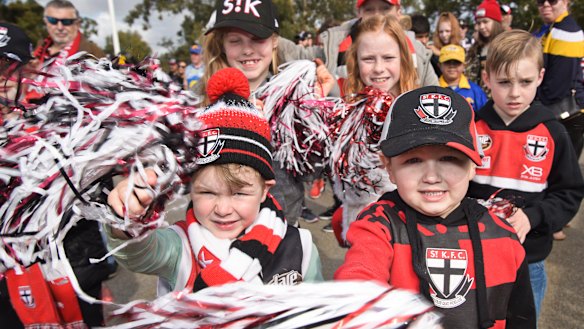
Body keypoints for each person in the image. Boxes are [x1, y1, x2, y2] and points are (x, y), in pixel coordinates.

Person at [335, 85, 536, 328]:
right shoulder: (379, 226)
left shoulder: (502, 235)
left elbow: (521, 318)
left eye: (449, 159)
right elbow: (359, 277)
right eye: (413, 160)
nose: (431, 177)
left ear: (475, 164)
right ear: (388, 167)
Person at [105, 68, 322, 292]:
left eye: (239, 193)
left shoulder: (299, 247)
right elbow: (137, 253)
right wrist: (126, 218)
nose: (223, 209)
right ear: (191, 188)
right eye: (207, 192)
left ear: (265, 189)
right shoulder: (180, 247)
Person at [467, 30, 584, 319]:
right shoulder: (471, 128)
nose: (515, 92)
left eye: (526, 82)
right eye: (504, 82)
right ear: (487, 77)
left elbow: (568, 192)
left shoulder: (554, 132)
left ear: (541, 77)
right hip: (474, 256)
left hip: (527, 260)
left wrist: (532, 217)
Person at [330, 14, 417, 243]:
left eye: (388, 57)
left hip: (407, 235)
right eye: (368, 59)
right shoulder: (348, 114)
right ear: (356, 63)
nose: (379, 68)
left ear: (403, 60)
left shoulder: (418, 112)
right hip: (362, 231)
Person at [277, 0, 438, 92]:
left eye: (385, 8)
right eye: (369, 9)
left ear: (398, 11)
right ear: (359, 12)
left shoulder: (420, 54)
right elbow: (295, 55)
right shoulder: (334, 45)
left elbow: (436, 98)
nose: (377, 15)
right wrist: (266, 31)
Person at [534, 0, 584, 159]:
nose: (546, 5)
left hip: (567, 112)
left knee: (562, 176)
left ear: (566, 2)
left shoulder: (566, 31)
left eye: (553, 0)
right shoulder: (551, 28)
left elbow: (557, 86)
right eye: (541, 1)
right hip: (561, 110)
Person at [33, 0, 104, 71]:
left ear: (77, 24)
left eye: (66, 21)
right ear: (46, 22)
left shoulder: (93, 53)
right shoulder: (35, 51)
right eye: (53, 20)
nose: (60, 27)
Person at [465, 0, 505, 95]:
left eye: (485, 22)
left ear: (496, 22)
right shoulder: (476, 47)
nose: (482, 27)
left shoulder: (505, 45)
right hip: (478, 97)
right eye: (479, 23)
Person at [438, 44, 487, 111]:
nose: (452, 66)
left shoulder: (476, 90)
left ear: (464, 66)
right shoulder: (434, 89)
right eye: (447, 62)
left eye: (456, 62)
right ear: (439, 65)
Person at [429, 12, 463, 77]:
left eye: (447, 31)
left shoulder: (460, 49)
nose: (444, 35)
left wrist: (440, 53)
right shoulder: (433, 50)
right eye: (441, 32)